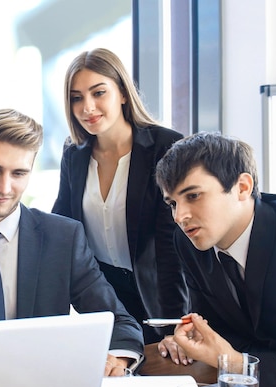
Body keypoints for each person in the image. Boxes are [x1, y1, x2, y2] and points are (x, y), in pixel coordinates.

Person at [0, 109, 145, 374]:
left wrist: (118, 359)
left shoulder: (62, 240)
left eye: (18, 173)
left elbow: (121, 323)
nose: (4, 187)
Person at [155, 131, 276, 387]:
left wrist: (239, 364)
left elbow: (230, 353)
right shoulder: (189, 242)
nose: (180, 216)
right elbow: (220, 333)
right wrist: (197, 343)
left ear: (242, 187)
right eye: (172, 203)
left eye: (193, 196)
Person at [51, 48, 187, 343]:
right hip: (103, 298)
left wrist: (174, 326)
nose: (87, 107)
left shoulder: (167, 147)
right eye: (77, 97)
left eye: (98, 93)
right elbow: (61, 226)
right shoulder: (74, 154)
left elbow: (171, 248)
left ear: (123, 93)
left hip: (157, 295)